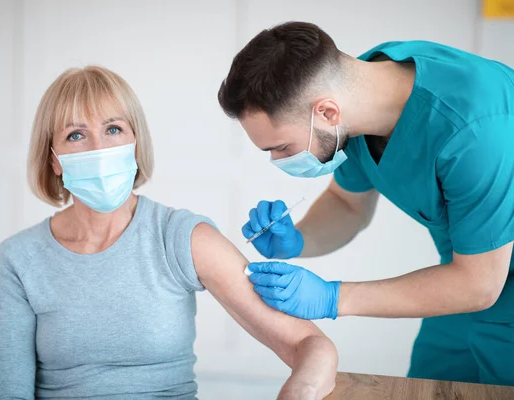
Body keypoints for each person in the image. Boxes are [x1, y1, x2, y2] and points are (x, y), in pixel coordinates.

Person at [0, 65, 337, 400]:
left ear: (136, 143)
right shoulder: (19, 259)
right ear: (54, 160)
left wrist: (301, 389)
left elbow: (308, 343)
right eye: (76, 135)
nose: (99, 149)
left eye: (113, 129)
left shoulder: (182, 237)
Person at [217, 21, 514, 385]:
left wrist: (332, 298)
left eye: (281, 147)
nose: (279, 161)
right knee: (431, 387)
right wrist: (297, 239)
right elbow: (347, 205)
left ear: (327, 113)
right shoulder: (356, 95)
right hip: (459, 283)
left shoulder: (473, 130)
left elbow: (479, 285)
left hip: (485, 283)